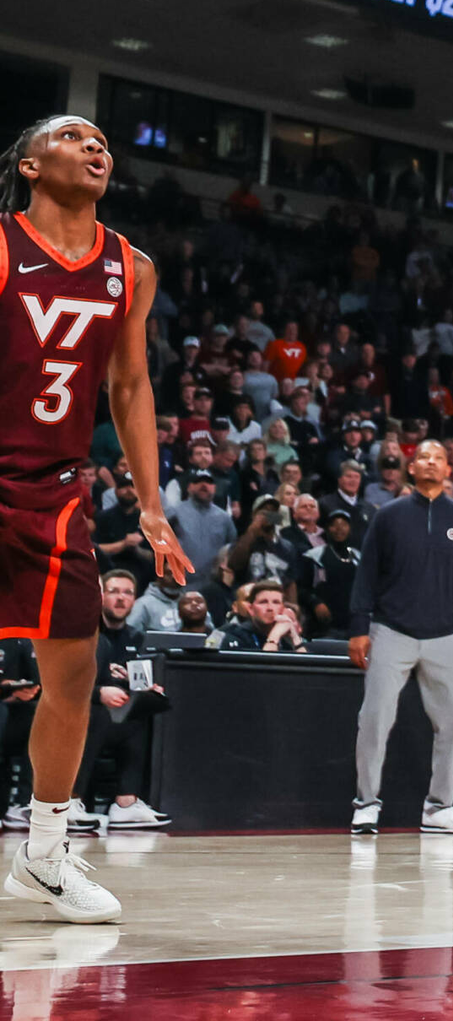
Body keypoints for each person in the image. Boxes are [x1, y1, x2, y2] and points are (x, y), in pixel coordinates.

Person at [0, 114, 191, 922]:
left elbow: (131, 388)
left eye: (103, 142)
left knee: (73, 673)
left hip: (57, 487)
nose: (96, 147)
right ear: (32, 166)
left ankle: (43, 855)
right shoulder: (4, 244)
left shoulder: (130, 267)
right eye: (76, 136)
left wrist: (151, 507)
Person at [348, 439, 453, 836]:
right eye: (424, 458)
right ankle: (365, 804)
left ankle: (439, 808)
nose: (431, 463)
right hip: (390, 629)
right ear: (411, 469)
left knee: (452, 721)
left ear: (448, 470)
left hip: (445, 634)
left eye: (439, 459)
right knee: (375, 719)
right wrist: (358, 629)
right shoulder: (389, 515)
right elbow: (366, 575)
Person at [72, 571, 170, 829]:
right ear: (101, 596)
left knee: (140, 714)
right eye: (114, 591)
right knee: (99, 713)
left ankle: (126, 804)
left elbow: (138, 681)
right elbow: (64, 684)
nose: (120, 598)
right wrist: (100, 692)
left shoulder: (137, 638)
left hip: (117, 714)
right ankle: (69, 801)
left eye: (127, 593)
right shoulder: (83, 633)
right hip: (79, 711)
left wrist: (147, 690)